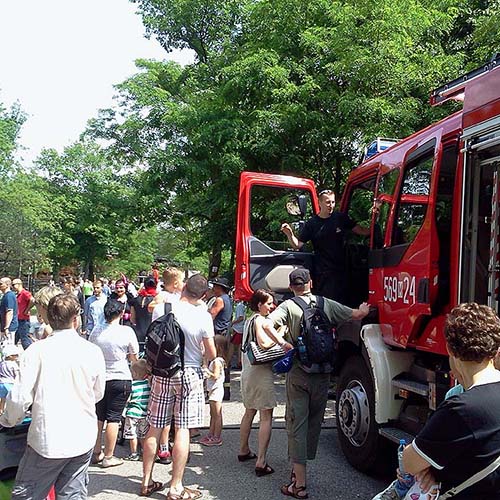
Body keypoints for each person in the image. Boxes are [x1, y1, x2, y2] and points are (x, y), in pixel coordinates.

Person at [264, 268, 370, 499]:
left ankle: (299, 485)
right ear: (310, 283)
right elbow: (356, 315)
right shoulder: (326, 304)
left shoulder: (288, 307)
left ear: (292, 286)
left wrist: (283, 344)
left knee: (296, 425)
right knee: (313, 424)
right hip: (323, 374)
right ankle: (297, 471)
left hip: (300, 374)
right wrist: (363, 309)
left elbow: (266, 325)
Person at [0, 293, 106, 500]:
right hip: (82, 435)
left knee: (27, 494)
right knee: (72, 494)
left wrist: (8, 420)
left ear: (48, 316)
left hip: (47, 438)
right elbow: (97, 393)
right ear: (76, 320)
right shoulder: (92, 351)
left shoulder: (36, 352)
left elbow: (20, 398)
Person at [402, 303, 500, 499]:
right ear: (495, 349)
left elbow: (410, 462)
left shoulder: (462, 408)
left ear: (450, 349)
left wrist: (429, 469)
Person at [141, 274, 216, 499]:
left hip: (162, 373)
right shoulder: (203, 316)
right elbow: (211, 352)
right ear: (203, 295)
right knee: (182, 428)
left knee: (155, 426)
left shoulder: (162, 309)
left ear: (183, 287)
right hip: (189, 374)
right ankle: (176, 486)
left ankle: (146, 481)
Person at [280, 189, 369, 302]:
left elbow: (360, 230)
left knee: (344, 305)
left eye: (332, 202)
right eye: (327, 202)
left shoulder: (341, 218)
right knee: (327, 305)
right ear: (320, 203)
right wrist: (289, 233)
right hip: (324, 273)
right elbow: (297, 245)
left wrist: (376, 231)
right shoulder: (312, 224)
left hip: (343, 272)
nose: (330, 205)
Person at [89, 299, 139, 467]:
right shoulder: (126, 332)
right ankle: (109, 456)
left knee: (99, 416)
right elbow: (134, 358)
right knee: (114, 418)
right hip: (120, 376)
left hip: (100, 377)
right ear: (120, 312)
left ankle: (96, 452)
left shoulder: (96, 331)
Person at [239, 289, 280, 477]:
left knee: (249, 412)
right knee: (266, 416)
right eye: (269, 303)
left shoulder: (249, 320)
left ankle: (243, 449)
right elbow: (264, 344)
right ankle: (261, 461)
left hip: (247, 372)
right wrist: (280, 337)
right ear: (259, 304)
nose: (272, 306)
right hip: (261, 373)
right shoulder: (261, 321)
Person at [199, 335, 228, 447]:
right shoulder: (214, 360)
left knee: (217, 414)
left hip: (216, 390)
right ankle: (211, 434)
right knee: (213, 414)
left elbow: (215, 376)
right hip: (212, 390)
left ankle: (217, 436)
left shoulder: (217, 362)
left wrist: (206, 371)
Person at [124, 359, 151, 461]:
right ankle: (145, 452)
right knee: (142, 435)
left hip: (132, 413)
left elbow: (128, 399)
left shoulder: (132, 386)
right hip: (144, 414)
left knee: (132, 434)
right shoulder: (148, 385)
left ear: (134, 373)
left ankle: (134, 453)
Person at [131, 276, 157, 346]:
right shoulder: (156, 300)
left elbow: (132, 320)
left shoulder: (135, 300)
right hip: (152, 335)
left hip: (138, 333)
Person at [12, 279, 34, 350]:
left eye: (13, 285)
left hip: (23, 320)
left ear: (19, 284)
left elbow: (32, 300)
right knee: (14, 339)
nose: (13, 287)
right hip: (18, 320)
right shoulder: (18, 295)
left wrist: (27, 310)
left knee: (24, 340)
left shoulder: (24, 293)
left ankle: (30, 354)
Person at [0, 344, 20, 414]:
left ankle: (1, 411)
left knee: (3, 399)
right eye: (16, 355)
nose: (17, 356)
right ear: (10, 356)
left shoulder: (1, 363)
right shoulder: (13, 364)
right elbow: (17, 375)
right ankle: (11, 413)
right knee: (12, 400)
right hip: (10, 384)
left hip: (1, 383)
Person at [228, 299, 246, 369]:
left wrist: (232, 322)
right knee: (239, 346)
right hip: (240, 328)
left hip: (238, 329)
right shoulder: (241, 305)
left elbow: (241, 318)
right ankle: (239, 362)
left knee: (233, 346)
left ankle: (229, 362)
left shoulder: (239, 306)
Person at [0, 277, 18, 346]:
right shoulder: (6, 296)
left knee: (8, 349)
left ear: (7, 285)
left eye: (1, 284)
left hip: (9, 328)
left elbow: (9, 312)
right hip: (5, 327)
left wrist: (6, 327)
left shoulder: (9, 296)